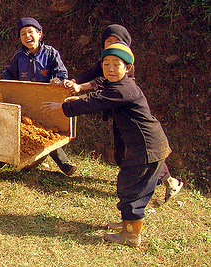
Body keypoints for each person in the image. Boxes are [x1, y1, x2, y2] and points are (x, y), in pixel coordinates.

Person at [42, 42, 172, 247]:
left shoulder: (124, 88)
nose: (110, 69)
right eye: (106, 65)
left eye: (116, 65)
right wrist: (80, 96)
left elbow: (95, 103)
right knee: (129, 184)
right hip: (144, 144)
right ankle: (126, 224)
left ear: (127, 68)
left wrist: (63, 106)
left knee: (132, 188)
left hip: (147, 147)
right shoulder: (118, 86)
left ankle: (131, 235)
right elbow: (99, 96)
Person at [64, 24, 183, 207]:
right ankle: (144, 183)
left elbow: (102, 82)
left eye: (116, 41)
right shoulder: (108, 59)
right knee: (126, 152)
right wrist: (75, 81)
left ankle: (161, 183)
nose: (111, 45)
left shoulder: (124, 65)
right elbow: (92, 73)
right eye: (108, 42)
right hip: (117, 110)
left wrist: (80, 91)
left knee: (142, 153)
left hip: (127, 111)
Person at [0, 17, 76, 176]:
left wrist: (58, 79)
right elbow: (10, 73)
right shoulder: (19, 55)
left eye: (30, 32)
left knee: (46, 130)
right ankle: (5, 158)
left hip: (44, 99)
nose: (27, 36)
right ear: (20, 39)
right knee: (19, 128)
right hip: (24, 98)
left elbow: (61, 73)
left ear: (39, 34)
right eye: (23, 34)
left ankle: (64, 163)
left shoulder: (51, 53)